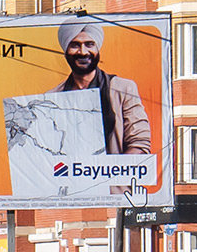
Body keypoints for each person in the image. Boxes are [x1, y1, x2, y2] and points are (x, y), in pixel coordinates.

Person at [49, 21, 151, 155]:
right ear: (65, 51)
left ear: (98, 49)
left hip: (113, 174)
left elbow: (140, 143)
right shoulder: (52, 98)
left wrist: (114, 173)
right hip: (68, 174)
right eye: (75, 45)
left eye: (89, 44)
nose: (83, 52)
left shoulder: (123, 89)